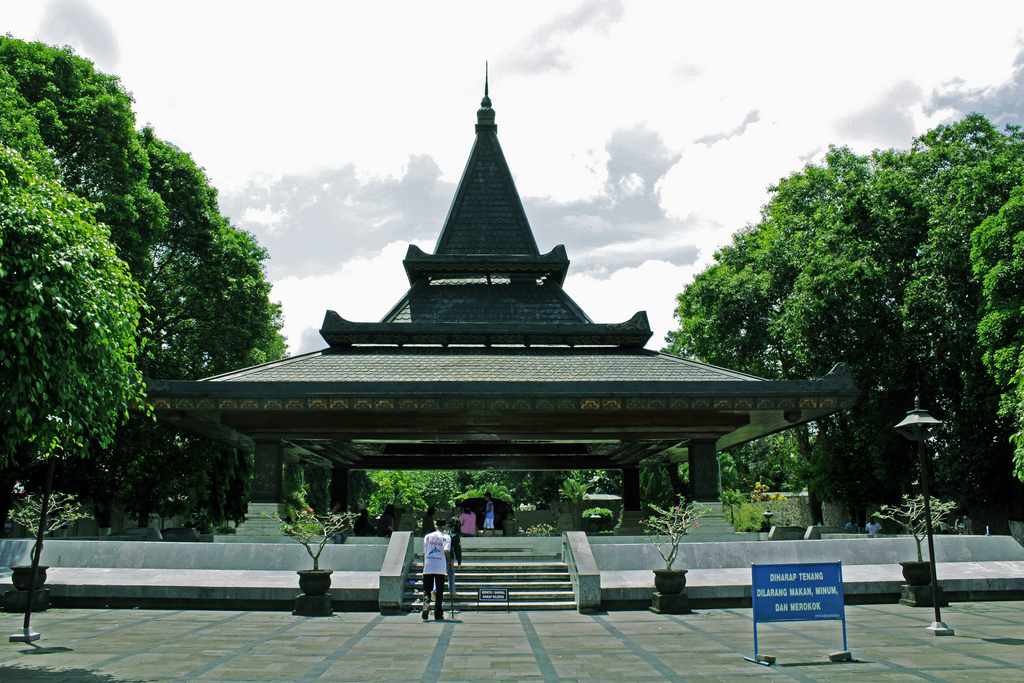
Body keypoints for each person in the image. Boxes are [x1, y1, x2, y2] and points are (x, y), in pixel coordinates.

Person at [421, 517, 452, 621]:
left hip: (429, 564)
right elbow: (446, 550)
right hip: (440, 566)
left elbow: (424, 552)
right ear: (445, 526)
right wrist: (450, 562)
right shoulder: (446, 537)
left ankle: (426, 606)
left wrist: (424, 564)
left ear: (435, 526)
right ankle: (438, 612)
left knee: (427, 589)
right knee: (439, 591)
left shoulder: (427, 537)